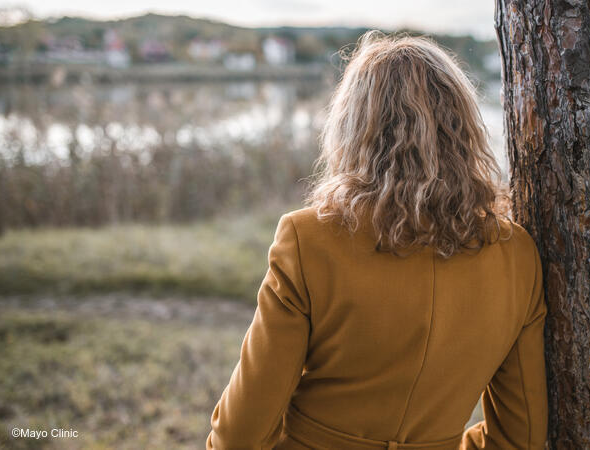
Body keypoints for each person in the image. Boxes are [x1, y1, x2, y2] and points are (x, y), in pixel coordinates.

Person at [206, 30, 548, 450]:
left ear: (352, 128)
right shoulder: (517, 255)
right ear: (464, 128)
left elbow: (237, 437)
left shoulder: (308, 240)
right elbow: (522, 437)